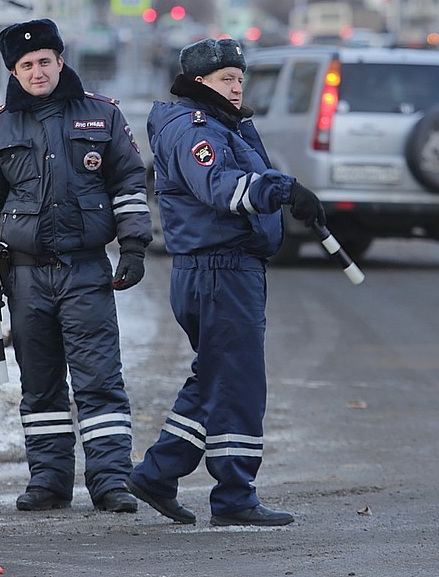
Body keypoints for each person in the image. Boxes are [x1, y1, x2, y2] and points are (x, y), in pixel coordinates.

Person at [127, 36, 326, 527]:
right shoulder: (197, 129)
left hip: (226, 270)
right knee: (237, 384)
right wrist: (284, 189)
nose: (236, 87)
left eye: (239, 78)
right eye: (225, 80)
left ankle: (159, 473)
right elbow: (221, 188)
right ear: (200, 84)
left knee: (217, 377)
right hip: (218, 270)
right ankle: (235, 494)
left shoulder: (223, 124)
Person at [0, 18, 151, 514]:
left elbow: (129, 184)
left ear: (61, 61)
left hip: (86, 271)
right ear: (14, 71)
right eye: (26, 65)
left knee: (99, 380)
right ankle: (48, 479)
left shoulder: (101, 116)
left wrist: (133, 247)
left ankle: (111, 480)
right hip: (24, 277)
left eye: (45, 61)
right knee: (39, 383)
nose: (37, 71)